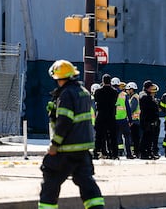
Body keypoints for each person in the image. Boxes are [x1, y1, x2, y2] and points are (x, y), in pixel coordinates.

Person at [39, 60, 104, 209]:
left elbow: (65, 121)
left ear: (58, 78)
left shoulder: (66, 94)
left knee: (50, 179)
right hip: (82, 149)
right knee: (86, 183)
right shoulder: (83, 92)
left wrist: (55, 144)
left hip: (67, 149)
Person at [92, 74, 118, 159]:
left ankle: (96, 153)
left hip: (101, 115)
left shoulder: (98, 91)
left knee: (99, 136)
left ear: (103, 81)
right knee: (112, 136)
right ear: (110, 81)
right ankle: (114, 154)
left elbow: (96, 101)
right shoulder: (114, 92)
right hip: (111, 115)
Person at [139, 80, 160, 159]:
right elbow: (151, 108)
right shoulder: (146, 96)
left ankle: (147, 152)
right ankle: (145, 153)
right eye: (151, 87)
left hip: (146, 119)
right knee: (147, 138)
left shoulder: (143, 94)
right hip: (147, 120)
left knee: (147, 137)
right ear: (148, 87)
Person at [113, 79, 134, 159]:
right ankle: (129, 154)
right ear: (119, 85)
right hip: (123, 119)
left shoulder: (110, 93)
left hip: (114, 119)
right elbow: (128, 108)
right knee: (127, 136)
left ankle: (115, 154)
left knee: (114, 137)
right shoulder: (124, 95)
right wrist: (130, 119)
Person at [125, 81, 141, 158]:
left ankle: (136, 152)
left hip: (134, 121)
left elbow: (131, 109)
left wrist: (128, 117)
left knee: (134, 138)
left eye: (128, 90)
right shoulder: (134, 97)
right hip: (135, 120)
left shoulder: (134, 98)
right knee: (134, 138)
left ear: (131, 89)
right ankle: (135, 152)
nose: (127, 91)